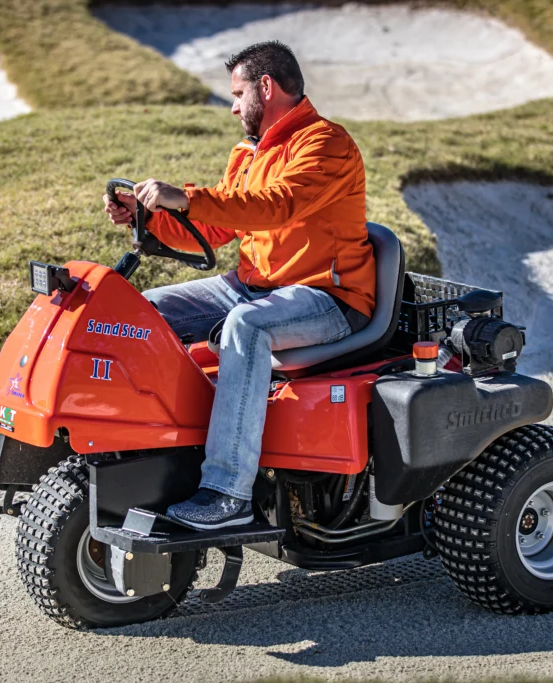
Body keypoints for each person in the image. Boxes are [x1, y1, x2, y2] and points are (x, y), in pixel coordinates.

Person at [103, 41, 375, 530]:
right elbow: (215, 226)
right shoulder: (250, 153)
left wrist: (183, 196)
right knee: (139, 313)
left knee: (246, 327)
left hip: (328, 299)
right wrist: (146, 217)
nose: (232, 107)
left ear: (265, 88)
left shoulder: (326, 144)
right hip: (252, 285)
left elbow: (277, 206)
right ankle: (152, 452)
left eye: (237, 93)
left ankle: (228, 493)